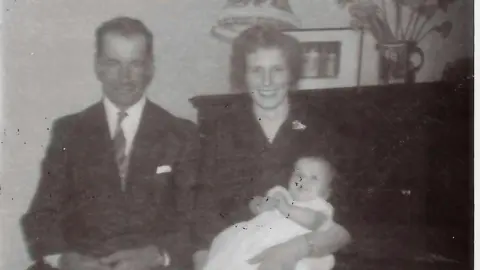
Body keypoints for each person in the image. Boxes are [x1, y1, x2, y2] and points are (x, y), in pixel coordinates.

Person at [21, 17, 199, 270]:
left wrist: (158, 255)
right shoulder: (69, 131)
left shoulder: (181, 133)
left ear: (150, 68)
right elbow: (41, 214)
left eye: (135, 64)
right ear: (98, 67)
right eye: (113, 63)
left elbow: (193, 218)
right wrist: (65, 259)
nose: (124, 77)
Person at [193, 24, 351, 270]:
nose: (267, 81)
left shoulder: (319, 129)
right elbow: (204, 214)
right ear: (243, 76)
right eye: (256, 70)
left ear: (291, 73)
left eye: (277, 69)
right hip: (238, 254)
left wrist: (293, 250)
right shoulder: (220, 131)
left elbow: (343, 219)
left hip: (305, 252)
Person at [203, 156, 338, 270]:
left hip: (288, 249)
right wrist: (262, 204)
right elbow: (260, 207)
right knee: (230, 249)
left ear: (326, 193)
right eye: (299, 175)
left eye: (314, 178)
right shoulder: (280, 194)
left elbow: (313, 220)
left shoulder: (319, 207)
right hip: (256, 239)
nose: (303, 180)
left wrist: (286, 209)